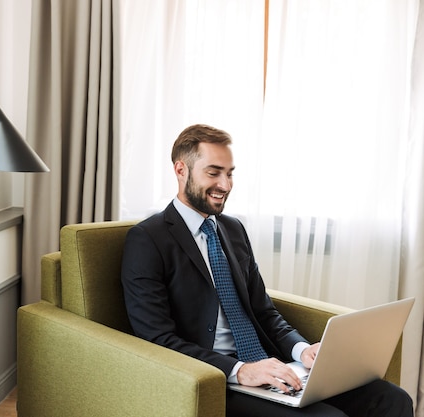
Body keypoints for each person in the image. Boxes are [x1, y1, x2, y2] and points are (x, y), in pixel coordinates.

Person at [121, 124, 413, 416]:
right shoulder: (148, 239)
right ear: (181, 170)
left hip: (270, 365)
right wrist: (241, 371)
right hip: (216, 378)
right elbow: (158, 339)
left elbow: (264, 311)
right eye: (213, 173)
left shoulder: (232, 229)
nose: (225, 185)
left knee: (391, 399)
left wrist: (302, 351)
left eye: (230, 173)